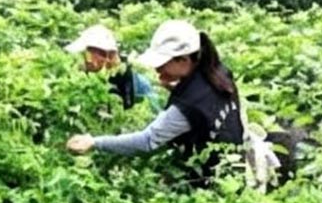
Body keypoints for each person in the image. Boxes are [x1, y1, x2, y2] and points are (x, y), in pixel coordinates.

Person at [65, 19, 249, 187]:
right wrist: (178, 90)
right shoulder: (216, 71)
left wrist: (94, 142)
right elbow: (208, 109)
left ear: (184, 59)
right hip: (234, 168)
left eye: (162, 64)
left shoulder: (190, 103)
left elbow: (147, 142)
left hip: (212, 183)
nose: (158, 70)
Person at [63, 24, 156, 109]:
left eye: (110, 55)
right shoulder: (72, 72)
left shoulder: (137, 83)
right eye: (100, 53)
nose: (106, 60)